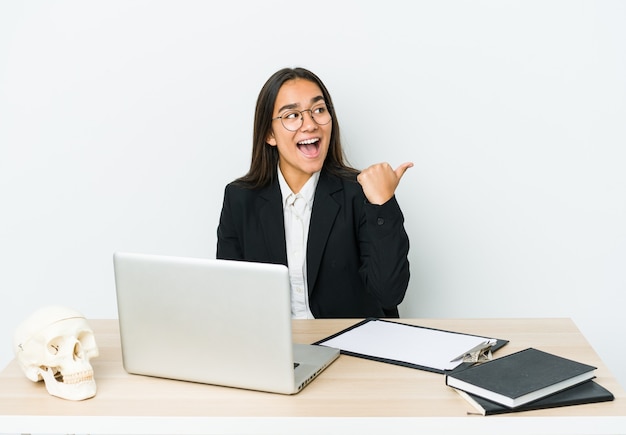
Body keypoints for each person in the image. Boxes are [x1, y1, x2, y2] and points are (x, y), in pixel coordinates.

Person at [217, 67, 412, 318]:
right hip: (274, 347)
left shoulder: (362, 193)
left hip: (350, 345)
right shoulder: (240, 199)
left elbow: (389, 294)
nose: (309, 124)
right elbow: (230, 297)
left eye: (319, 110)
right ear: (269, 134)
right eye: (292, 115)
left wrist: (383, 204)